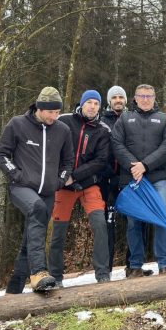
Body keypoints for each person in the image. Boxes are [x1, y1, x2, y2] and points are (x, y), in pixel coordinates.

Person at [0, 87, 74, 292]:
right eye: (50, 112)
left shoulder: (62, 130)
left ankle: (15, 287)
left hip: (48, 191)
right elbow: (1, 154)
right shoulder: (17, 124)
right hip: (21, 188)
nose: (54, 116)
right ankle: (39, 272)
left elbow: (68, 161)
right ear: (39, 108)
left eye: (57, 112)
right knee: (37, 210)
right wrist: (16, 175)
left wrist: (59, 181)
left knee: (32, 235)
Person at [48, 90, 112, 285]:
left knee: (100, 225)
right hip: (63, 186)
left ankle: (102, 273)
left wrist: (74, 176)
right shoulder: (64, 121)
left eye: (96, 103)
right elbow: (51, 148)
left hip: (88, 184)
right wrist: (63, 176)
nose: (92, 106)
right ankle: (56, 276)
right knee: (58, 230)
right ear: (82, 103)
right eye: (89, 102)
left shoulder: (103, 130)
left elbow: (101, 161)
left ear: (100, 106)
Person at [112, 84, 166, 277]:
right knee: (133, 221)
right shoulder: (124, 118)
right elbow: (116, 144)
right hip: (132, 179)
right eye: (142, 96)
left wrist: (145, 165)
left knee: (162, 216)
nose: (146, 99)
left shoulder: (165, 119)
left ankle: (164, 263)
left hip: (157, 178)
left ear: (154, 97)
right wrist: (134, 166)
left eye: (149, 96)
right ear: (135, 98)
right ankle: (135, 265)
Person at [100, 85, 128, 269]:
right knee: (106, 223)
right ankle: (106, 268)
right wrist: (108, 173)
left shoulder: (132, 118)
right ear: (109, 101)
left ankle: (133, 265)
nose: (118, 100)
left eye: (121, 97)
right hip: (106, 180)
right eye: (114, 97)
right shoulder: (101, 121)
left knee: (133, 221)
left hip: (127, 179)